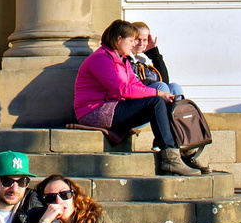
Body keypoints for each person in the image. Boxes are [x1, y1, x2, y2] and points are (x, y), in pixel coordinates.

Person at [75, 19, 197, 177]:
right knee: (155, 101)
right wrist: (157, 93)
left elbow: (136, 84)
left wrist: (164, 95)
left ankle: (180, 152)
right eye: (131, 40)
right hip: (94, 112)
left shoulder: (122, 60)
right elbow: (122, 89)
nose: (133, 44)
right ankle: (171, 159)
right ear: (119, 39)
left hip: (113, 108)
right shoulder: (102, 58)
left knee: (163, 101)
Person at [129, 22, 182, 100]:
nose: (141, 43)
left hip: (149, 92)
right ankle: (164, 111)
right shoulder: (125, 58)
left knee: (175, 87)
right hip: (136, 95)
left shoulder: (142, 60)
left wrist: (155, 55)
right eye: (138, 39)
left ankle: (178, 112)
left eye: (145, 40)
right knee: (161, 86)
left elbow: (164, 80)